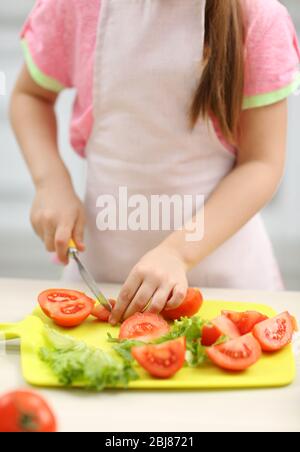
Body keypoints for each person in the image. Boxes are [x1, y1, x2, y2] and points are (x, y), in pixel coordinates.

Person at [10, 0, 300, 325]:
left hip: (224, 287)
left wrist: (178, 252)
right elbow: (30, 96)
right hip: (103, 282)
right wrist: (51, 183)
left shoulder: (258, 17)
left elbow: (262, 163)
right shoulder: (76, 6)